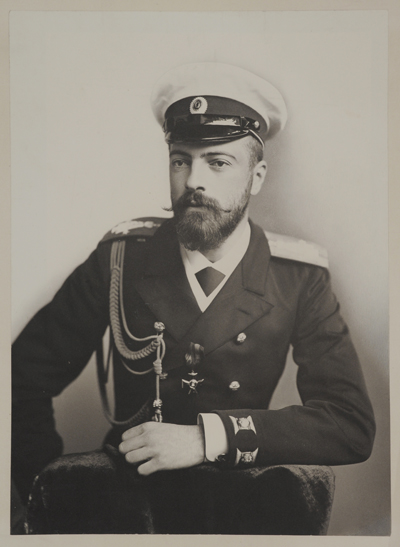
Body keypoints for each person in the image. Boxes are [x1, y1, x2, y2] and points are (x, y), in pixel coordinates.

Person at [11, 62, 375, 534]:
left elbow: (349, 423)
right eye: (180, 160)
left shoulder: (298, 278)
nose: (193, 181)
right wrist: (49, 490)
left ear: (256, 176)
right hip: (126, 509)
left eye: (218, 163)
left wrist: (207, 438)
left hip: (242, 511)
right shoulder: (120, 259)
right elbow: (17, 378)